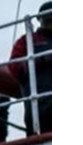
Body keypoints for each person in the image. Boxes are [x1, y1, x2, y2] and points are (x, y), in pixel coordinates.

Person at [9, 2, 52, 134]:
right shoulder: (27, 41)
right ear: (40, 20)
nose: (51, 22)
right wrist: (41, 59)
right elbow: (15, 66)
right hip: (40, 106)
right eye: (48, 19)